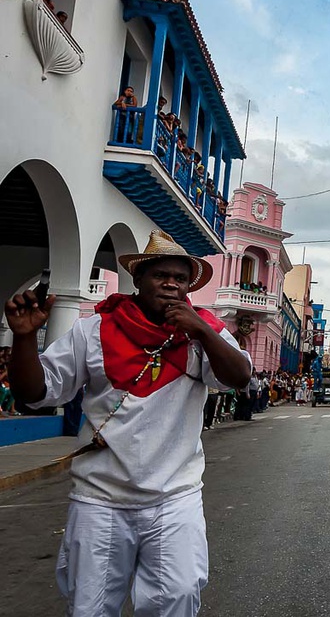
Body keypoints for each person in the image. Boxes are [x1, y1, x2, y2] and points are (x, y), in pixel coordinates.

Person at [3, 230, 251, 616]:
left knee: (179, 596)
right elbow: (37, 393)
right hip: (100, 499)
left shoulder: (203, 331)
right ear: (138, 279)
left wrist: (201, 330)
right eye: (160, 275)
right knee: (91, 607)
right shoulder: (94, 330)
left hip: (174, 496)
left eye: (180, 278)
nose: (171, 283)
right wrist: (24, 338)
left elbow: (239, 377)